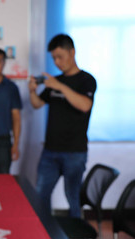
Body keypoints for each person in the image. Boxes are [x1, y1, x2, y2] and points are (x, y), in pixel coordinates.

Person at [29, 33, 97, 217]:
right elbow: (37, 104)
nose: (57, 62)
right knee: (41, 194)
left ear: (72, 52)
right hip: (50, 150)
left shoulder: (86, 80)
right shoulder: (55, 82)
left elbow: (85, 105)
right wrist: (32, 91)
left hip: (74, 152)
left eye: (60, 56)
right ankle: (44, 230)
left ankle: (77, 233)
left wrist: (59, 86)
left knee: (73, 197)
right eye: (54, 58)